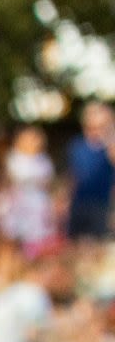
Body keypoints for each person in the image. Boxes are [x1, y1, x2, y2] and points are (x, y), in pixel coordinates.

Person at [68, 103, 113, 244]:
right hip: (79, 203)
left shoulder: (110, 147)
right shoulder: (77, 145)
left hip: (102, 205)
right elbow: (73, 176)